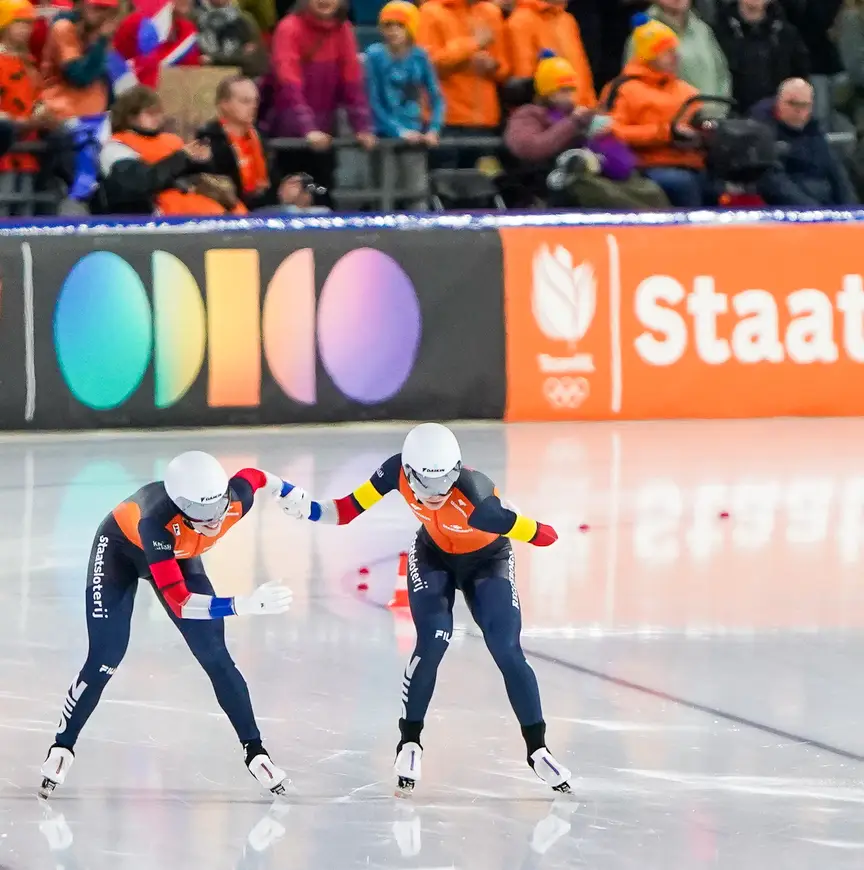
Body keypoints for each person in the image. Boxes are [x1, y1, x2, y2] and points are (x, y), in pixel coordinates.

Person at [279, 423, 572, 795]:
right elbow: (347, 510)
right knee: (432, 641)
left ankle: (538, 749)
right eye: (427, 484)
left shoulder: (475, 492)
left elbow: (538, 533)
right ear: (409, 472)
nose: (437, 494)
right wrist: (310, 510)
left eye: (446, 481)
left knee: (507, 649)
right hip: (432, 556)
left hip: (489, 560)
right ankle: (410, 742)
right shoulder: (394, 471)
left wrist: (520, 522)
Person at [39, 451, 296, 799]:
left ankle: (255, 751)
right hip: (121, 553)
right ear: (179, 506)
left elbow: (257, 475)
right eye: (201, 514)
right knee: (105, 656)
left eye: (218, 506)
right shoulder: (153, 522)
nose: (214, 520)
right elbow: (182, 604)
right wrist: (242, 604)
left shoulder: (237, 498)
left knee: (216, 657)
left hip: (179, 554)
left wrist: (292, 494)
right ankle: (62, 746)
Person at [603, 14, 707, 207]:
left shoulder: (686, 89)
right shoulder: (624, 89)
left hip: (691, 161)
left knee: (728, 182)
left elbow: (699, 123)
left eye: (675, 50)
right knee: (683, 184)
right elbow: (612, 132)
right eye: (667, 51)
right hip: (646, 164)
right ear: (649, 56)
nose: (675, 56)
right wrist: (666, 132)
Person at [364, 0, 443, 210]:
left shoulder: (420, 56)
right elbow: (372, 101)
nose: (393, 31)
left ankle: (421, 239)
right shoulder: (374, 55)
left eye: (399, 25)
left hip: (415, 136)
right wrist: (398, 131)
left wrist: (434, 129)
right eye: (388, 26)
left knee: (417, 195)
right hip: (383, 137)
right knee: (383, 198)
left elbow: (437, 97)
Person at [751, 77, 857, 206]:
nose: (799, 111)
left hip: (825, 208)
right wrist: (814, 212)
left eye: (805, 105)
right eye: (793, 103)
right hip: (787, 211)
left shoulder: (812, 128)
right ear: (778, 102)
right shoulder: (761, 129)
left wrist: (851, 210)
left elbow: (836, 171)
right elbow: (773, 181)